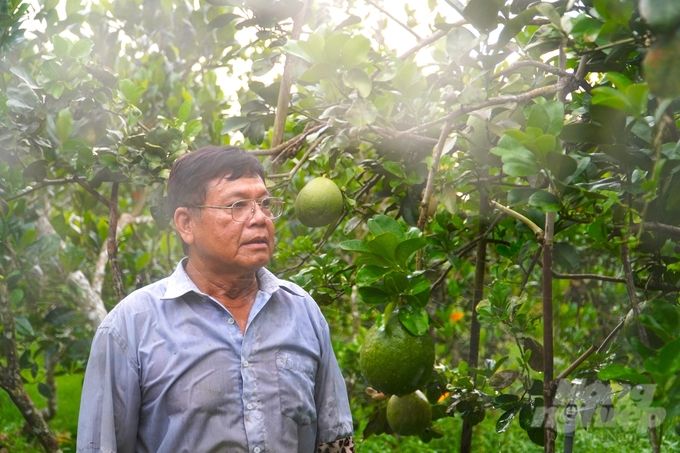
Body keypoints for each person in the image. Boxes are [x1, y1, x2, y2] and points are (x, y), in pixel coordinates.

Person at [77, 146, 354, 453]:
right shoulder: (130, 328)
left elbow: (334, 442)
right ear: (186, 224)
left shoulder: (303, 312)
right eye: (237, 205)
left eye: (264, 203)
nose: (259, 218)